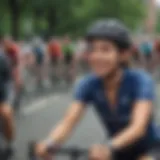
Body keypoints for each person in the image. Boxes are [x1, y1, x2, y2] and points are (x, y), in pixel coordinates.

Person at [35, 19, 159, 160]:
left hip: (151, 147)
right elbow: (68, 121)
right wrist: (50, 143)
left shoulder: (140, 80)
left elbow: (138, 127)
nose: (97, 56)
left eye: (105, 50)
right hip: (118, 149)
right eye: (92, 50)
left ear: (123, 55)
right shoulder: (88, 83)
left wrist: (109, 147)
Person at [0, 50, 15, 158]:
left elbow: (8, 80)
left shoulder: (2, 58)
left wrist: (7, 101)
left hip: (2, 95)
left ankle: (9, 144)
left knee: (6, 114)